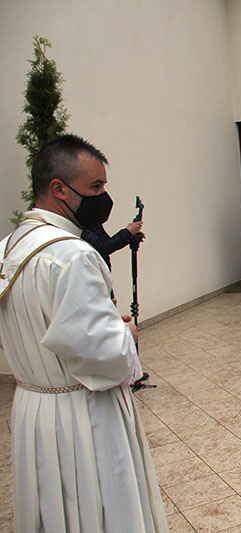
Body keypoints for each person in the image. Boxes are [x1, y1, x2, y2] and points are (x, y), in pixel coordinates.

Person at [0, 134, 167, 531]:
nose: (102, 198)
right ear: (59, 188)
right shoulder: (72, 255)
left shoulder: (9, 246)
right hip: (81, 409)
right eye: (95, 187)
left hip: (32, 406)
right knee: (98, 507)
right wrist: (128, 334)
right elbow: (104, 358)